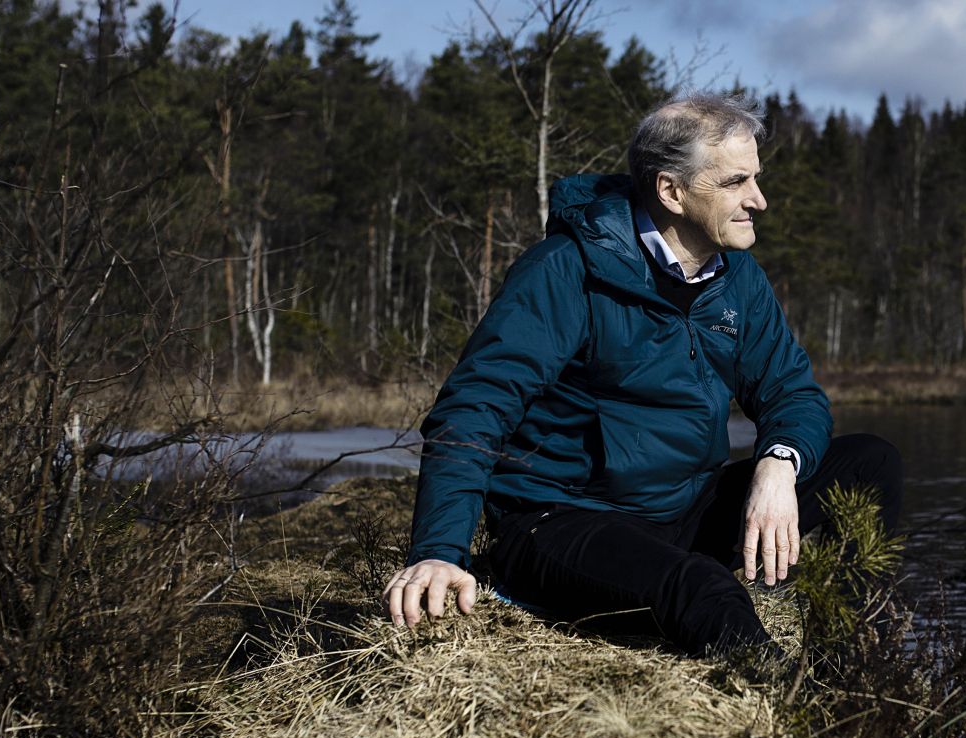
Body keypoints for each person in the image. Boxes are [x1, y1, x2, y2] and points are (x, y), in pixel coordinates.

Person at [383, 92, 901, 657]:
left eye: (756, 178)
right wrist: (439, 551)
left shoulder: (738, 278)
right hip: (563, 522)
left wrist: (778, 463)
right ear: (671, 191)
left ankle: (852, 657)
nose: (760, 200)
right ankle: (800, 712)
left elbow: (791, 392)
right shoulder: (565, 270)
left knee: (870, 463)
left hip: (681, 510)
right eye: (735, 182)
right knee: (705, 590)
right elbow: (474, 408)